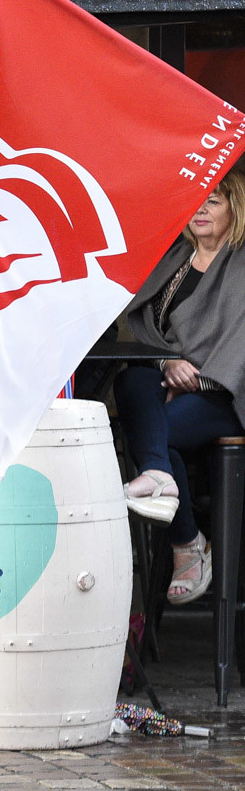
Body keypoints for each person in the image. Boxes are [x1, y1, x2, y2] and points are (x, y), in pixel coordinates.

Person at [118, 169, 245, 603]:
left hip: (226, 393)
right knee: (133, 379)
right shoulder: (177, 258)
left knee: (154, 432)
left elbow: (240, 346)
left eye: (214, 200)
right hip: (170, 377)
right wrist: (167, 363)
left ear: (235, 208)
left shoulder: (241, 263)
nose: (201, 209)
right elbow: (152, 331)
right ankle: (170, 498)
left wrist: (196, 381)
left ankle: (186, 543)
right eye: (196, 200)